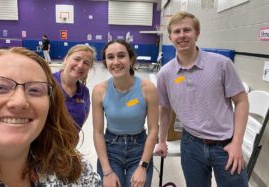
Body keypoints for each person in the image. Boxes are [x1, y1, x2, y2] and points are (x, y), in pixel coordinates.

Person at [0, 47, 101, 186]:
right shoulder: (54, 80)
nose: (19, 102)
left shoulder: (76, 172)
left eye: (34, 90)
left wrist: (66, 150)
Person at [154, 12, 249, 187]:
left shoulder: (222, 64)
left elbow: (241, 101)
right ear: (170, 37)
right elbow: (165, 109)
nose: (182, 35)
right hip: (191, 145)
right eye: (177, 31)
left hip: (225, 144)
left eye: (187, 30)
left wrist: (237, 143)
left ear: (197, 33)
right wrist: (161, 141)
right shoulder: (165, 74)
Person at [92, 39, 158, 187]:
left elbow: (154, 129)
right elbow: (97, 132)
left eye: (121, 56)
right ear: (105, 62)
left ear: (131, 59)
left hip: (139, 149)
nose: (116, 62)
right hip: (111, 150)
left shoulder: (148, 89)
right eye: (110, 57)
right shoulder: (99, 91)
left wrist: (143, 166)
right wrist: (107, 171)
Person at [53, 44, 96, 131]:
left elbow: (85, 115)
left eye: (86, 63)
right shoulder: (47, 82)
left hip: (69, 143)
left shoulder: (84, 92)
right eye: (77, 59)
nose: (80, 65)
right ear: (66, 59)